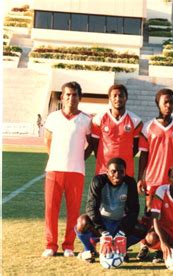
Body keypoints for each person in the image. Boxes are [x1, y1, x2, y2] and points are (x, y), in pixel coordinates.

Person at [136, 88, 173, 260]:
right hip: (153, 179)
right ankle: (144, 245)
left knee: (166, 217)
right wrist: (140, 178)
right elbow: (143, 155)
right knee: (149, 215)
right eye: (165, 102)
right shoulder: (148, 127)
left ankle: (160, 248)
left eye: (171, 102)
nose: (168, 105)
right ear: (158, 103)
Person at [42, 81, 93, 257]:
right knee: (51, 209)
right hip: (54, 170)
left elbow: (91, 146)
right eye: (68, 95)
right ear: (62, 97)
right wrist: (56, 158)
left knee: (73, 210)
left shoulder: (86, 120)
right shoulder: (53, 117)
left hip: (76, 171)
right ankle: (50, 245)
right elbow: (48, 141)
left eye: (75, 95)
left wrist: (79, 157)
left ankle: (68, 245)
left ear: (80, 97)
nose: (71, 98)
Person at [75, 158, 145, 263]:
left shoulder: (130, 183)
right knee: (82, 222)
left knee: (141, 229)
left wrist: (122, 232)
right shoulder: (98, 181)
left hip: (119, 224)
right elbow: (91, 207)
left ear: (125, 172)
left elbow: (134, 210)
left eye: (121, 172)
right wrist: (103, 231)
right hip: (102, 223)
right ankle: (89, 250)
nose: (117, 174)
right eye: (113, 171)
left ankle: (120, 249)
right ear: (107, 172)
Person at [91, 84, 142, 178]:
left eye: (121, 96)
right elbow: (95, 144)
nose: (118, 99)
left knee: (125, 193)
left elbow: (135, 148)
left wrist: (124, 158)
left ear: (126, 98)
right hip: (104, 169)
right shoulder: (98, 119)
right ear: (109, 98)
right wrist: (103, 159)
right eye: (114, 96)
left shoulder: (136, 121)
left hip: (126, 170)